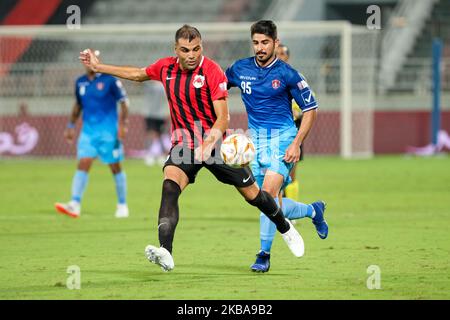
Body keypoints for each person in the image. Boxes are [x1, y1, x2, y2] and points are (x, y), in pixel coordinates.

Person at [78, 24, 304, 272]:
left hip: (216, 144)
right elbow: (137, 74)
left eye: (196, 49)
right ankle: (166, 251)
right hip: (184, 144)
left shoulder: (213, 71)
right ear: (176, 49)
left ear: (201, 47)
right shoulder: (165, 67)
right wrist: (98, 67)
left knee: (254, 196)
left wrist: (208, 143)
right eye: (185, 50)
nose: (191, 55)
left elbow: (223, 118)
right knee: (169, 186)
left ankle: (284, 226)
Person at [225, 20, 329, 273]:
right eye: (256, 43)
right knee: (268, 204)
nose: (260, 48)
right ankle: (312, 211)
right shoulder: (240, 69)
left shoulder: (287, 74)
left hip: (283, 139)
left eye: (265, 43)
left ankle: (264, 255)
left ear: (275, 42)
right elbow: (216, 90)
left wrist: (296, 143)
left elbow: (311, 109)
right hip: (255, 142)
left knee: (268, 195)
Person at [55, 50, 130, 219]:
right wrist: (71, 125)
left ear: (97, 60)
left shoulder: (110, 80)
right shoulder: (80, 82)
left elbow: (124, 102)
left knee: (115, 167)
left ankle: (122, 204)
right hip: (88, 132)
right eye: (86, 60)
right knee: (83, 163)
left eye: (92, 59)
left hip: (109, 133)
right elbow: (78, 105)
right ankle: (74, 203)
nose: (89, 62)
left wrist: (123, 124)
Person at [277, 44, 302, 201]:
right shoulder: (266, 76)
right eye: (277, 53)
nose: (279, 56)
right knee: (272, 171)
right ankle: (277, 208)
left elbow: (308, 104)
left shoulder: (296, 77)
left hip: (293, 130)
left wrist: (297, 112)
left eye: (282, 53)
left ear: (288, 56)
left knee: (291, 172)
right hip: (273, 131)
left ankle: (291, 208)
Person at [143, 80, 171, 166]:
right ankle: (150, 154)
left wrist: (167, 112)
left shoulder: (163, 86)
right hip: (150, 113)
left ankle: (160, 155)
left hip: (160, 114)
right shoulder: (149, 85)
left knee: (159, 135)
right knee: (151, 134)